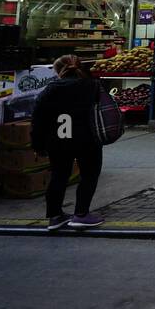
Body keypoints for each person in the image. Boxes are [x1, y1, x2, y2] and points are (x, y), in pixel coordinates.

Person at [31, 54, 105, 230]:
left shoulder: (50, 90)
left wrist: (38, 144)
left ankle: (55, 216)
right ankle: (81, 214)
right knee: (89, 176)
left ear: (57, 71)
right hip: (87, 139)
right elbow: (104, 109)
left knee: (58, 176)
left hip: (58, 139)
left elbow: (38, 120)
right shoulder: (92, 86)